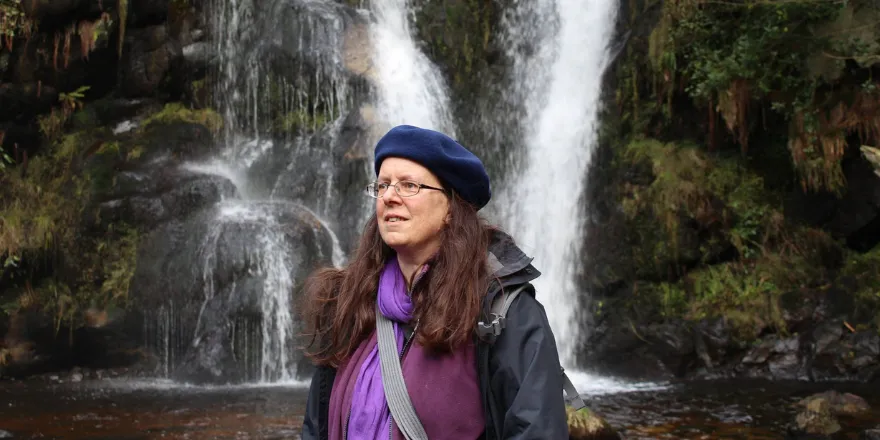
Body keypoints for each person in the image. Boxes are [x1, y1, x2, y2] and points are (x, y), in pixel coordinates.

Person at [299, 124, 569, 440]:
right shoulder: (350, 303)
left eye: (409, 185)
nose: (389, 197)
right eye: (383, 185)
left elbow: (537, 430)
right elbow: (315, 428)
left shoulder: (503, 310)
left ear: (452, 209)